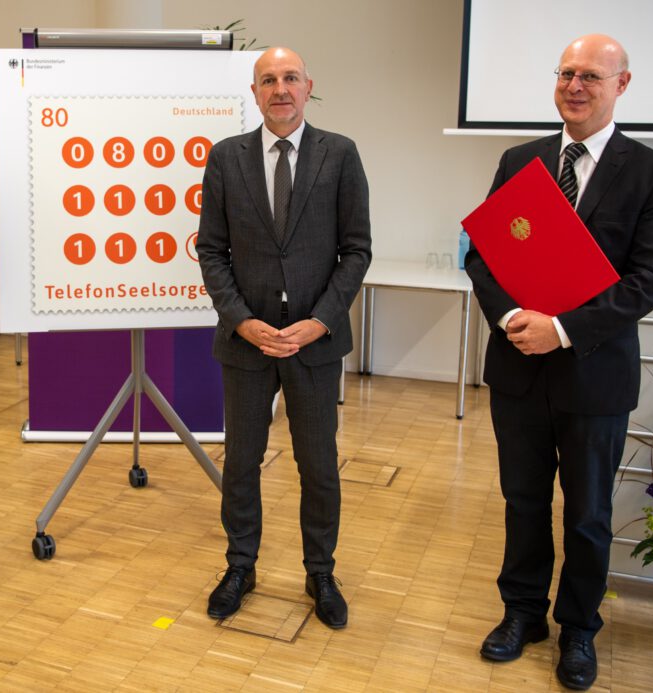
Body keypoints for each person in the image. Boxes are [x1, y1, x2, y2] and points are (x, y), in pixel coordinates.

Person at [465, 35, 653, 690]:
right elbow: (482, 255)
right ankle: (522, 612)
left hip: (593, 374)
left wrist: (560, 329)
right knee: (522, 500)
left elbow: (647, 279)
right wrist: (510, 320)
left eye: (591, 74)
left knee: (587, 512)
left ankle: (579, 627)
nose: (575, 85)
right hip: (518, 368)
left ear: (622, 84)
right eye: (566, 73)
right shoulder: (519, 160)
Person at [196, 47, 371, 629]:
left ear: (308, 86)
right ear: (255, 91)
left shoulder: (340, 154)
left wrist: (319, 321)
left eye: (290, 78)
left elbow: (356, 251)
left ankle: (320, 570)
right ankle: (240, 565)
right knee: (241, 463)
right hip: (247, 341)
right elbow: (212, 251)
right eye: (268, 79)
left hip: (314, 342)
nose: (280, 88)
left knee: (317, 464)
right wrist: (242, 320)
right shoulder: (226, 159)